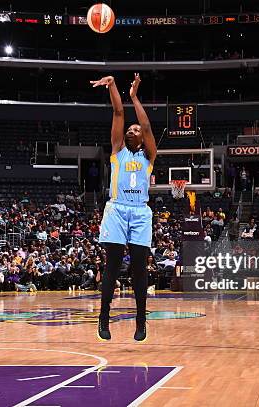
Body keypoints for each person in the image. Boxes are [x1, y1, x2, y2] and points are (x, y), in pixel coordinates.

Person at [92, 73, 156, 342]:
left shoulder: (149, 154)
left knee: (139, 268)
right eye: (129, 129)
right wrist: (114, 87)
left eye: (135, 129)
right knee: (113, 265)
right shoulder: (117, 150)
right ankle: (104, 317)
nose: (132, 130)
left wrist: (135, 97)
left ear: (142, 137)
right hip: (117, 209)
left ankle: (141, 321)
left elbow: (148, 126)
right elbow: (118, 113)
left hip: (140, 211)